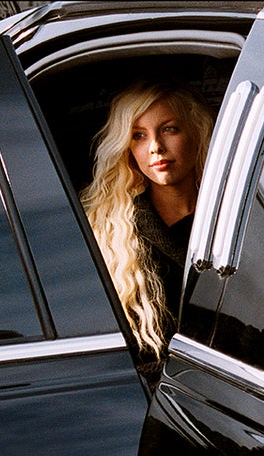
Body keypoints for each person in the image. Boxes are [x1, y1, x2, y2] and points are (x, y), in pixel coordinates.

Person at [80, 81, 215, 383]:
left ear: (196, 133)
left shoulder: (234, 217)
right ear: (128, 149)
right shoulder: (108, 234)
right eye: (139, 136)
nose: (155, 146)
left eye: (169, 129)